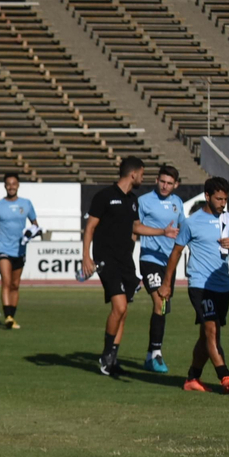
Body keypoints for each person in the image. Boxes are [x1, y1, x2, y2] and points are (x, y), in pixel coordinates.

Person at [163, 177, 229, 392]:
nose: (223, 203)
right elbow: (176, 253)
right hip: (200, 284)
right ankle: (226, 377)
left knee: (205, 335)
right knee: (211, 331)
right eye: (219, 199)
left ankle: (192, 379)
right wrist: (167, 284)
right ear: (207, 197)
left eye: (225, 199)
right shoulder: (191, 222)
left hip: (223, 285)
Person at [83, 157, 147, 377]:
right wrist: (86, 257)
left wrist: (163, 232)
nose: (142, 178)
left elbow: (137, 227)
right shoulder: (104, 197)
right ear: (134, 173)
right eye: (142, 174)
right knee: (119, 307)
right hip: (106, 260)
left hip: (125, 263)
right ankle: (106, 356)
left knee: (124, 312)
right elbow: (90, 227)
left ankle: (112, 360)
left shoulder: (132, 200)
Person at [135, 165, 185, 372]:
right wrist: (161, 232)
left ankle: (150, 355)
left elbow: (182, 231)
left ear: (176, 185)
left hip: (169, 263)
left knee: (163, 309)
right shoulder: (144, 201)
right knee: (160, 300)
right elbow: (135, 227)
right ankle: (156, 354)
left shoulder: (178, 203)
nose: (165, 186)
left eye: (169, 183)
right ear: (156, 180)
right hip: (150, 259)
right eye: (162, 181)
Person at [0, 172, 38, 330]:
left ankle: (11, 317)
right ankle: (7, 315)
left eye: (14, 183)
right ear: (5, 186)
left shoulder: (26, 204)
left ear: (18, 185)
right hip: (3, 249)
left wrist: (32, 233)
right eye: (8, 184)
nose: (11, 186)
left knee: (15, 284)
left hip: (20, 249)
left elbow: (35, 224)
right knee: (6, 282)